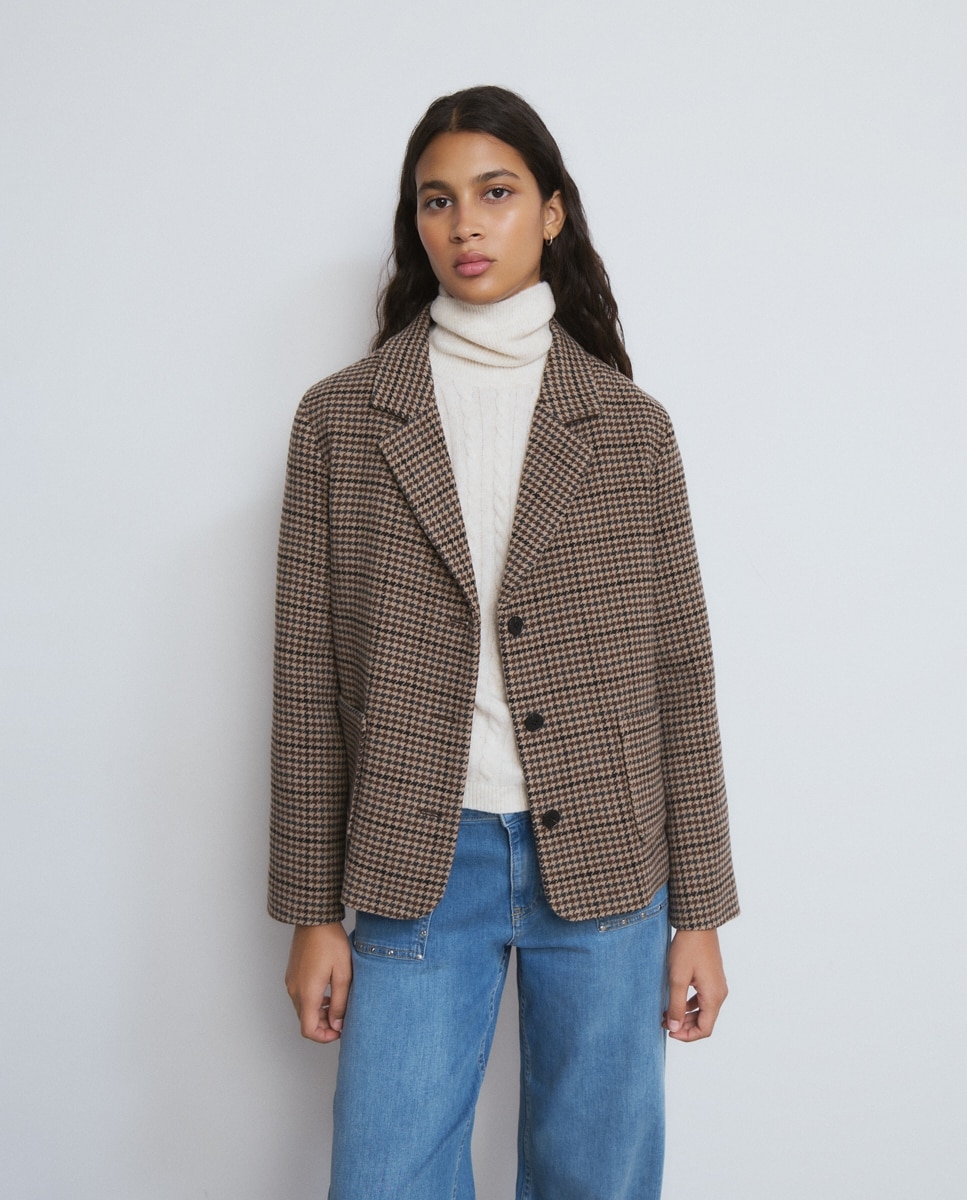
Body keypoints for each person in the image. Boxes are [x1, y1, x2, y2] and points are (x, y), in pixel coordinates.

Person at [270, 84, 739, 1200]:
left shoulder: (629, 428)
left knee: (596, 1178)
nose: (464, 224)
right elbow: (305, 683)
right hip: (417, 859)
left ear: (552, 211)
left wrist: (701, 915)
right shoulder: (340, 419)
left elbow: (680, 675)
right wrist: (312, 913)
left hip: (608, 861)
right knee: (385, 1177)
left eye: (495, 193)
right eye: (436, 200)